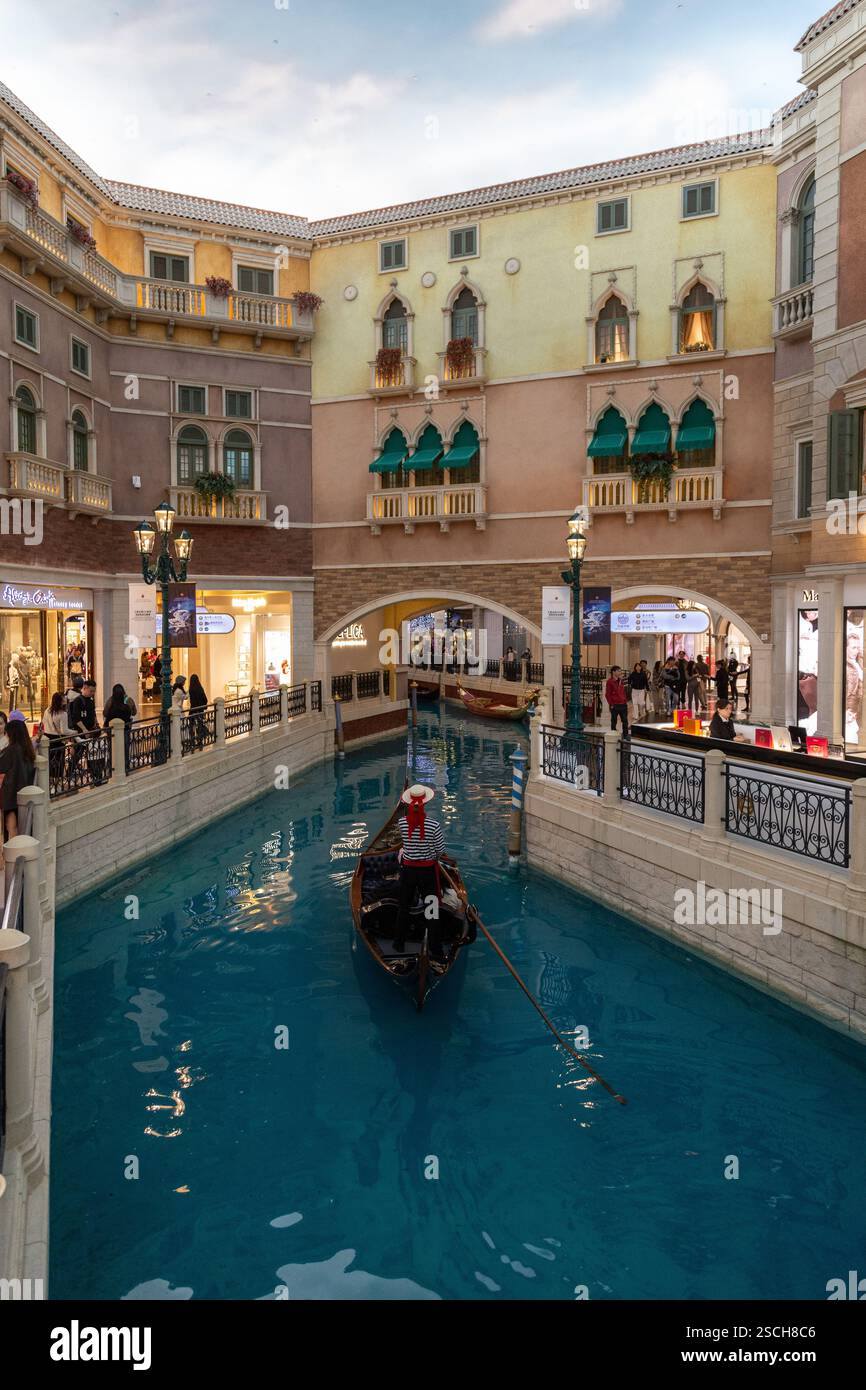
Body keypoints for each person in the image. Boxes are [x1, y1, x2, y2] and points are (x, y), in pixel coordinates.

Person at [394, 784, 445, 959]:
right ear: (425, 803)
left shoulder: (402, 823)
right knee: (432, 909)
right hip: (427, 872)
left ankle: (399, 944)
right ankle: (435, 948)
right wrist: (431, 857)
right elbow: (440, 850)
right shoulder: (434, 825)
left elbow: (406, 844)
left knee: (404, 907)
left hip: (408, 871)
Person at [1, 711, 36, 840]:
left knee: (12, 828)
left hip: (10, 795)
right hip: (25, 792)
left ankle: (14, 850)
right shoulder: (28, 749)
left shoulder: (11, 750)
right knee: (24, 826)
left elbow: (1, 766)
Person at [41, 691, 71, 784]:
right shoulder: (63, 714)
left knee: (50, 759)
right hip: (58, 739)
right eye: (63, 698)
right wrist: (75, 732)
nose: (65, 698)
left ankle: (50, 780)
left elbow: (43, 723)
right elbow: (64, 730)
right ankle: (57, 781)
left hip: (47, 737)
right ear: (60, 701)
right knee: (58, 760)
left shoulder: (47, 710)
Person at [604, 665, 629, 735]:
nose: (620, 672)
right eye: (618, 671)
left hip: (623, 704)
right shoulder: (610, 682)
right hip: (615, 705)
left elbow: (623, 692)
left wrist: (625, 701)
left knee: (625, 721)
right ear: (613, 672)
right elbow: (607, 694)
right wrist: (611, 704)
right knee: (614, 721)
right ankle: (613, 734)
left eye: (620, 671)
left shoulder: (621, 680)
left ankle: (625, 735)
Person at [188, 674, 208, 750]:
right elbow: (205, 699)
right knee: (200, 724)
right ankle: (200, 740)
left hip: (193, 710)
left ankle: (192, 740)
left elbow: (192, 701)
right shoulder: (200, 688)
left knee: (191, 725)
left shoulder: (191, 689)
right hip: (200, 710)